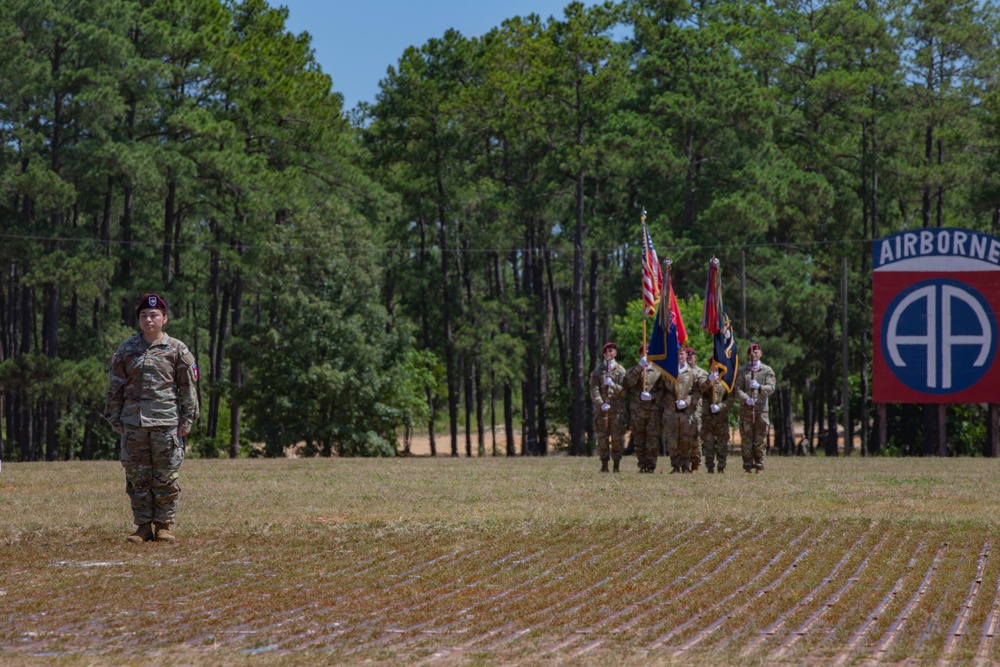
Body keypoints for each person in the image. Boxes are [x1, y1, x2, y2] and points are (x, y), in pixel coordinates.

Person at [104, 294, 200, 543]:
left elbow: (187, 388)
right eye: (144, 315)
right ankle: (143, 527)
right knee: (137, 477)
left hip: (166, 423)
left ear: (164, 319)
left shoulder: (177, 349)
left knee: (166, 476)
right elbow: (115, 386)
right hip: (133, 424)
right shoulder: (127, 349)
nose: (149, 319)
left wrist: (187, 419)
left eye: (154, 315)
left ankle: (164, 526)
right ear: (138, 320)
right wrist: (114, 419)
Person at [734, 342, 776, 473]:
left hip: (761, 410)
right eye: (752, 353)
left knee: (760, 440)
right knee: (746, 440)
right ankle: (747, 466)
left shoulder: (767, 370)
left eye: (757, 352)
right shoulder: (742, 371)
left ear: (761, 354)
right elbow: (737, 389)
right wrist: (746, 399)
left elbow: (771, 388)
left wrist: (759, 387)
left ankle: (759, 465)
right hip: (746, 410)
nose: (754, 354)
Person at [625, 344, 665, 473]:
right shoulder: (634, 369)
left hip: (653, 410)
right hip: (638, 410)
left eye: (649, 351)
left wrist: (653, 397)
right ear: (640, 355)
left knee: (652, 439)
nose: (646, 354)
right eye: (644, 352)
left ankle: (651, 465)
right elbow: (629, 382)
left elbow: (663, 391)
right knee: (639, 439)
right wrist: (639, 367)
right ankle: (642, 464)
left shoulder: (658, 371)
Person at [589, 342, 627, 472]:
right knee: (602, 439)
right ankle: (604, 465)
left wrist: (613, 386)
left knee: (617, 438)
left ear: (615, 353)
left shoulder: (621, 371)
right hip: (602, 412)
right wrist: (601, 403)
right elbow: (594, 390)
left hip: (616, 411)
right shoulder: (597, 371)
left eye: (611, 351)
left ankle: (616, 465)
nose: (608, 354)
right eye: (606, 351)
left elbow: (624, 391)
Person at [662, 347, 699, 473]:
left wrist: (687, 402)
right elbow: (665, 386)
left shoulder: (692, 372)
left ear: (686, 355)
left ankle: (686, 465)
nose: (680, 356)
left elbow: (697, 392)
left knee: (686, 440)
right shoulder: (669, 372)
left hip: (686, 412)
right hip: (671, 411)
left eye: (682, 354)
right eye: (677, 354)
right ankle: (675, 466)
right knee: (672, 439)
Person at [698, 355, 736, 473]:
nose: (715, 367)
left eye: (718, 365)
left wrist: (720, 407)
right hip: (707, 417)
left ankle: (721, 466)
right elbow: (701, 389)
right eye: (713, 365)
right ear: (710, 366)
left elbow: (730, 398)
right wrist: (710, 380)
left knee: (722, 443)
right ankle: (709, 466)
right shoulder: (706, 378)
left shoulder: (726, 381)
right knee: (708, 443)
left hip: (721, 417)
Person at [685, 347, 709, 472]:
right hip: (681, 410)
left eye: (691, 357)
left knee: (695, 437)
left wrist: (710, 380)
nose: (689, 359)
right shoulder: (679, 371)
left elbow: (703, 387)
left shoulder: (701, 372)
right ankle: (682, 464)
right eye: (687, 356)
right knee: (682, 438)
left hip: (695, 410)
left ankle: (695, 465)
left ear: (695, 357)